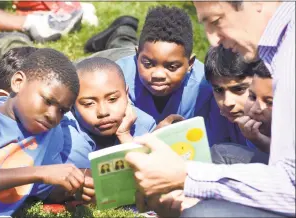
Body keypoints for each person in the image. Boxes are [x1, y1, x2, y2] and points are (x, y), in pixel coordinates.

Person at [125, 1, 295, 217]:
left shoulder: (290, 56)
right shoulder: (279, 48)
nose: (213, 40)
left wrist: (187, 177)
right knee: (223, 154)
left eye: (217, 21)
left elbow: (290, 187)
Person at [0, 48, 94, 217]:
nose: (53, 116)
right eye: (48, 101)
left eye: (62, 111)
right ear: (18, 82)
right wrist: (40, 172)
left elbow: (41, 190)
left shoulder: (49, 134)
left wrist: (75, 188)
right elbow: (40, 175)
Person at [116, 6, 213, 124]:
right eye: (148, 64)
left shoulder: (207, 87)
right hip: (116, 54)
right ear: (137, 56)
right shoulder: (117, 78)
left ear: (190, 64)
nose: (158, 75)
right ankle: (122, 32)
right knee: (120, 46)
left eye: (172, 67)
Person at [60, 57, 156, 170]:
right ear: (72, 105)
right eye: (89, 103)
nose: (103, 112)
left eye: (112, 99)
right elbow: (85, 182)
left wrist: (124, 135)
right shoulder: (67, 135)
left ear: (126, 94)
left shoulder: (144, 124)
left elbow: (153, 174)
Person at [204, 46, 270, 165]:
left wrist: (259, 141)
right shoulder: (218, 113)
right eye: (219, 90)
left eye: (239, 89)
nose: (227, 102)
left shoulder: (280, 114)